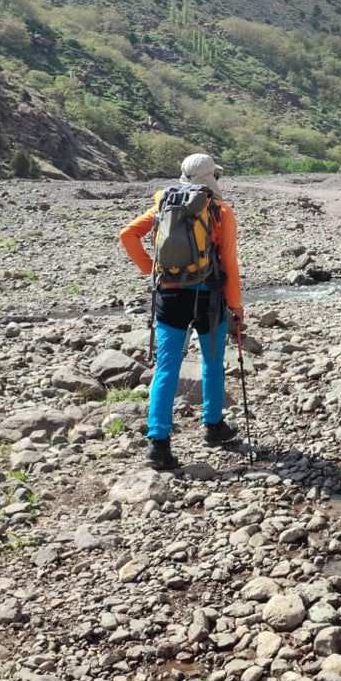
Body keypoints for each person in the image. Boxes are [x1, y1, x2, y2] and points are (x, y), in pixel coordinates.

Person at [120, 153, 244, 470]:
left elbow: (128, 234)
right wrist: (236, 306)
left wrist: (153, 271)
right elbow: (229, 262)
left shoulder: (164, 204)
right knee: (213, 361)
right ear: (212, 177)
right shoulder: (221, 211)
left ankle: (157, 443)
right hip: (208, 297)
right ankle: (213, 426)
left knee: (166, 367)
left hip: (169, 294)